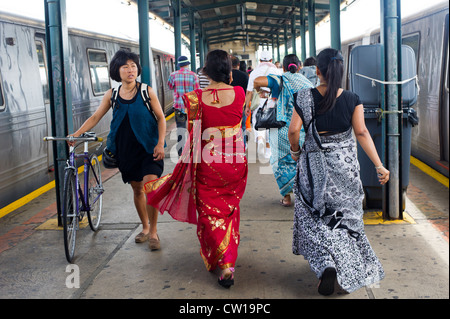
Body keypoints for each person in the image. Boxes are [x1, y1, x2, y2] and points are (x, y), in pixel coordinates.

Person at [288, 48, 389, 295]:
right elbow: (362, 133)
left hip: (314, 170)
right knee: (344, 219)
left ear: (318, 71)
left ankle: (325, 263)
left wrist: (295, 151)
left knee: (312, 217)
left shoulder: (303, 97)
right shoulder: (353, 99)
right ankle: (346, 266)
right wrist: (379, 165)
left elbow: (293, 131)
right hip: (345, 170)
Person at [145, 50, 248, 288]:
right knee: (229, 209)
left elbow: (193, 135)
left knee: (210, 212)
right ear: (229, 71)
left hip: (208, 163)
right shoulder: (240, 93)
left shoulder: (195, 98)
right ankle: (227, 262)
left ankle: (224, 262)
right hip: (234, 163)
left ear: (205, 72)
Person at [69, 49, 166, 249]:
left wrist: (160, 143)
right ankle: (145, 228)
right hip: (125, 150)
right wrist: (77, 133)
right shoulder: (111, 95)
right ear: (117, 70)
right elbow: (95, 117)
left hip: (149, 148)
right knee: (137, 189)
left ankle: (154, 233)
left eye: (133, 66)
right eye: (125, 67)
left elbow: (161, 118)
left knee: (150, 186)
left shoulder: (147, 91)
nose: (130, 70)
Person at [253, 54, 313, 207]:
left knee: (280, 162)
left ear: (284, 67)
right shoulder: (307, 82)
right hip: (301, 129)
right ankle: (304, 196)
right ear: (299, 66)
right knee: (301, 162)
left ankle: (286, 197)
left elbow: (257, 81)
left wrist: (260, 89)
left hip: (280, 130)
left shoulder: (279, 79)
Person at [245, 50, 281, 159]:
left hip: (258, 101)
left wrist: (247, 106)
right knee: (272, 124)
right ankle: (268, 150)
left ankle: (260, 140)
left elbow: (249, 91)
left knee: (259, 122)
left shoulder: (254, 72)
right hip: (274, 100)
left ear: (260, 60)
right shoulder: (277, 71)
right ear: (271, 60)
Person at [168, 56, 200, 156]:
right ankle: (192, 149)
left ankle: (181, 151)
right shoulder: (194, 75)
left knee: (180, 128)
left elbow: (170, 86)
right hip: (191, 106)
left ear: (179, 65)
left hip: (178, 106)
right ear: (188, 64)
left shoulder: (173, 75)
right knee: (192, 128)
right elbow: (197, 91)